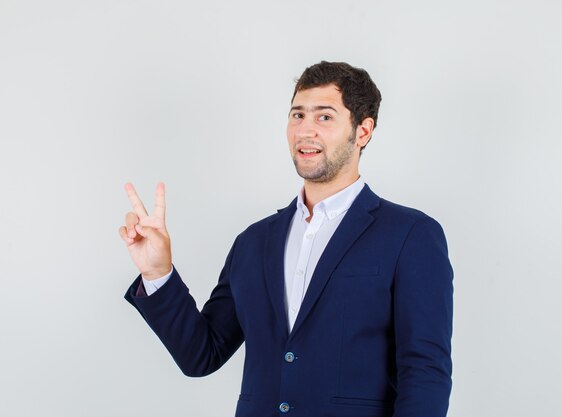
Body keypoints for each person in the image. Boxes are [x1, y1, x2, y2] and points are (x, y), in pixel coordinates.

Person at [119, 61, 453, 417]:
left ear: (363, 131)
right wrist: (158, 273)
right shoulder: (254, 241)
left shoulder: (411, 235)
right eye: (297, 116)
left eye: (324, 117)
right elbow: (202, 355)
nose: (305, 131)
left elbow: (424, 374)